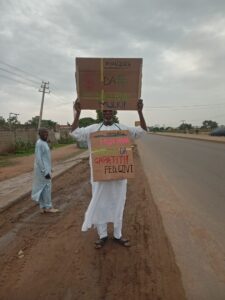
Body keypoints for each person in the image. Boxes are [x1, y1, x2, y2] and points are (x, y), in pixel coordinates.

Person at [71, 99, 147, 248]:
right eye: (104, 110)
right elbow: (74, 133)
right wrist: (78, 113)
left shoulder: (121, 128)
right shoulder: (93, 129)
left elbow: (142, 131)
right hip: (99, 179)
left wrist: (140, 111)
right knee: (101, 204)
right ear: (101, 112)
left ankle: (118, 235)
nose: (107, 112)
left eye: (109, 110)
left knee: (118, 203)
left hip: (118, 178)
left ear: (113, 112)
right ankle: (103, 235)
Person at [31, 128, 59, 213]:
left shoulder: (44, 143)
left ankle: (42, 207)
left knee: (43, 188)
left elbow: (46, 158)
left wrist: (50, 168)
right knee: (46, 188)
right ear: (39, 134)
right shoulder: (39, 144)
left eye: (47, 134)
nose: (46, 135)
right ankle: (48, 207)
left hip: (45, 169)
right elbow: (39, 159)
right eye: (44, 134)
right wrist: (44, 171)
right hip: (42, 170)